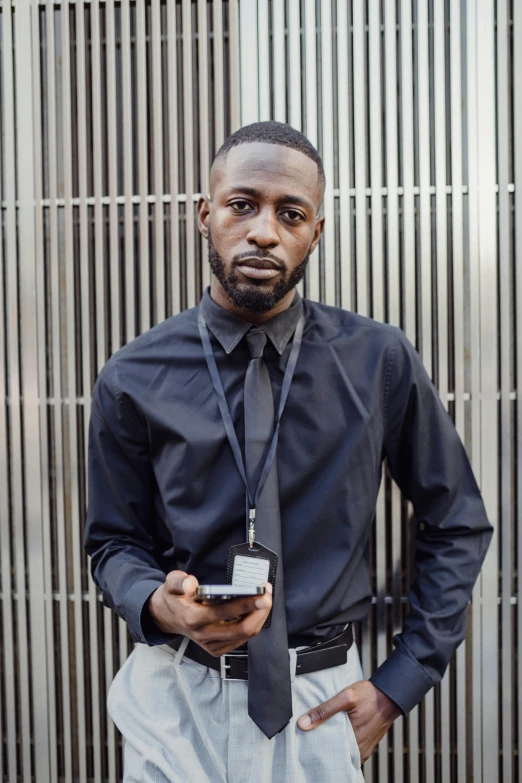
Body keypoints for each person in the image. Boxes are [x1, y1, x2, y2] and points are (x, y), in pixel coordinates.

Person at [84, 121, 492, 782]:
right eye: (242, 204)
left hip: (319, 704)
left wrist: (398, 683)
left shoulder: (378, 361)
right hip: (175, 695)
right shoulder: (132, 373)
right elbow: (112, 543)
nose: (265, 231)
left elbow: (458, 522)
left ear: (315, 233)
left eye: (291, 213)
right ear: (204, 213)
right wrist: (160, 604)